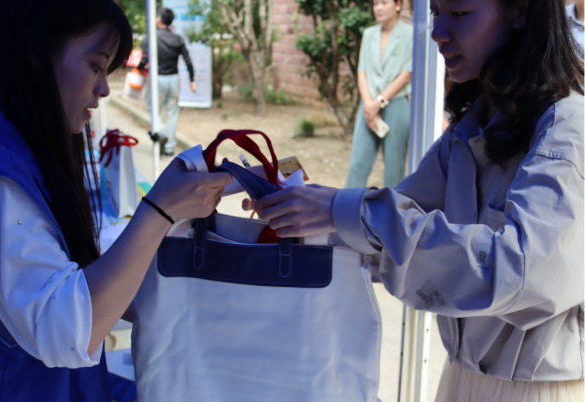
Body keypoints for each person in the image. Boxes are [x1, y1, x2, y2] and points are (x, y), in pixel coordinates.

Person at [249, 0, 585, 400]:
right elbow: (393, 222)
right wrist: (296, 202)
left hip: (541, 389)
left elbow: (521, 273)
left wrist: (349, 213)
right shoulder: (472, 126)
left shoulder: (568, 127)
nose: (438, 33)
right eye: (436, 14)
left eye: (459, 14)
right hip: (459, 378)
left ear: (520, 11)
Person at [0, 0, 231, 400]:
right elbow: (67, 331)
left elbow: (77, 282)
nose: (105, 89)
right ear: (34, 53)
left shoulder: (20, 148)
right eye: (96, 66)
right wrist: (160, 211)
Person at [345, 0, 412, 189]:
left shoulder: (410, 34)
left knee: (394, 168)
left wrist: (379, 102)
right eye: (375, 4)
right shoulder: (369, 34)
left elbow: (406, 74)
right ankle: (348, 205)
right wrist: (369, 104)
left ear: (398, 4)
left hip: (396, 104)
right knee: (357, 164)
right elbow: (362, 71)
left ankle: (391, 207)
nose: (379, 8)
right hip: (368, 106)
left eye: (384, 2)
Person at [137, 7, 197, 157]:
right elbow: (188, 60)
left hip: (157, 79)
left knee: (153, 110)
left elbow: (144, 60)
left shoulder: (151, 37)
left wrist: (137, 70)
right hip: (174, 80)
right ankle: (169, 148)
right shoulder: (177, 38)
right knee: (172, 114)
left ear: (159, 19)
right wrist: (192, 80)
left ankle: (159, 134)